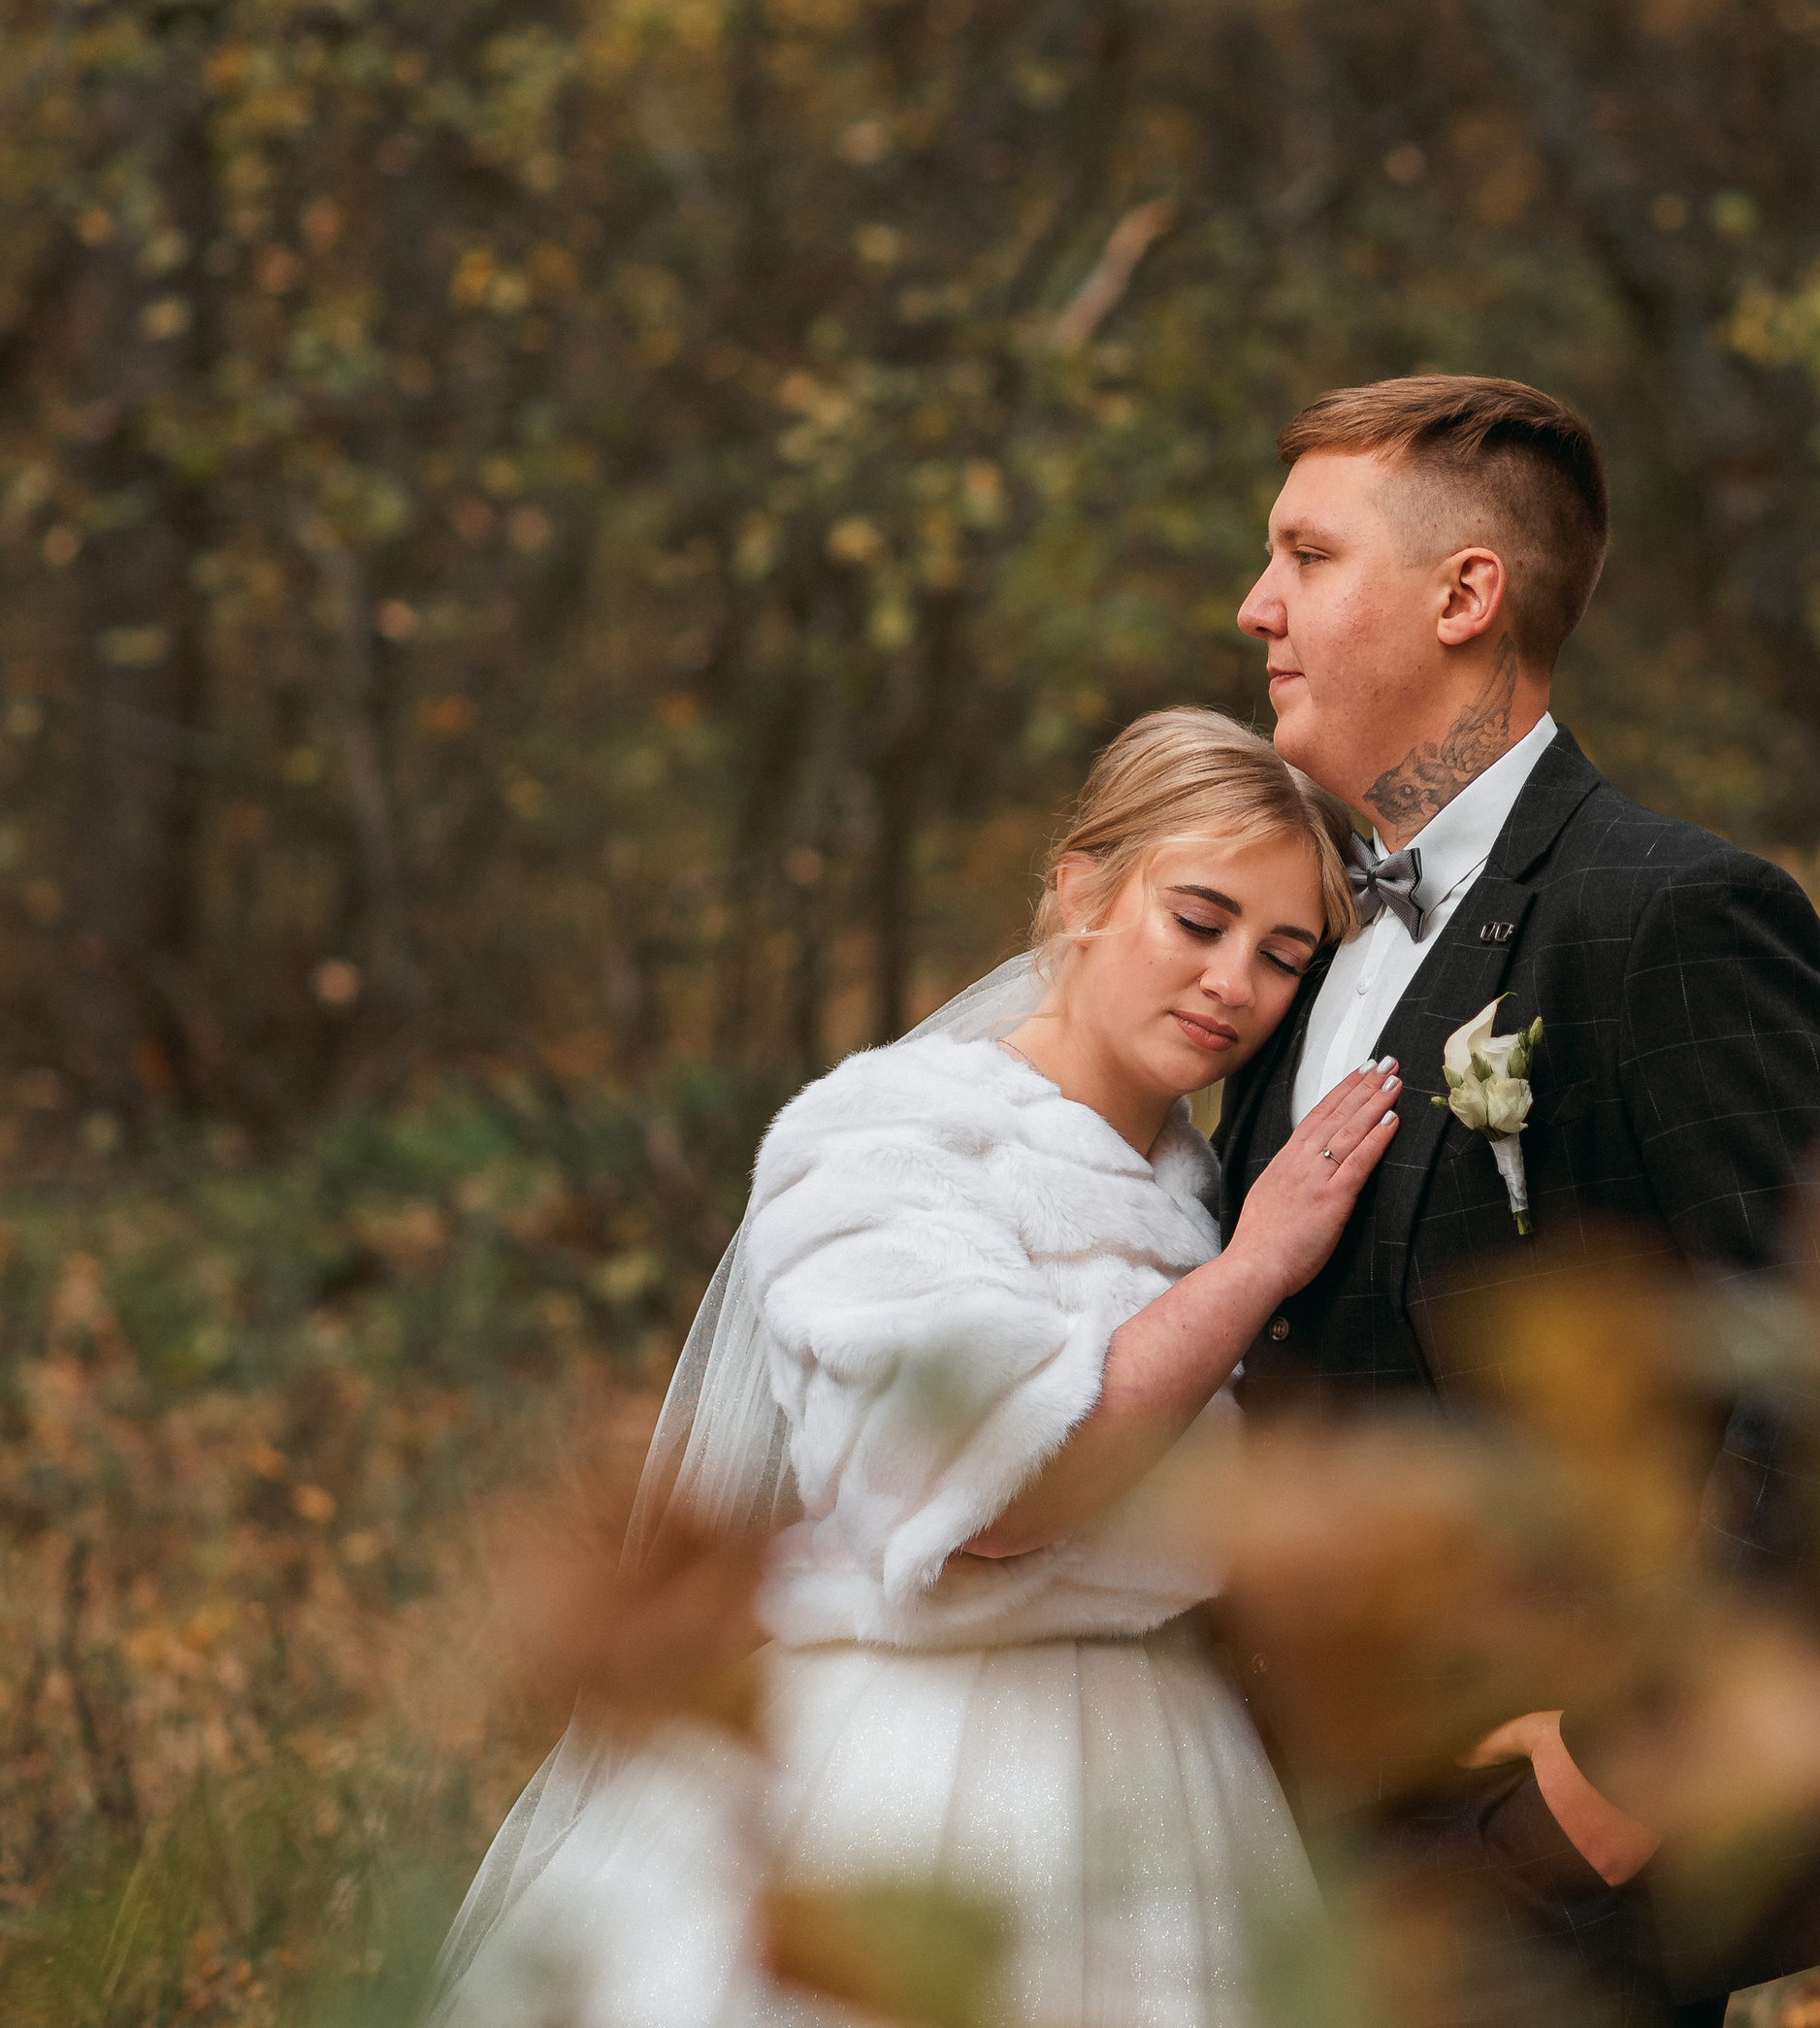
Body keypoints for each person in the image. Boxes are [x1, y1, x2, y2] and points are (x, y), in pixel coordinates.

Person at [433, 709, 1394, 2028]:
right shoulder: (889, 1139)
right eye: (1199, 919)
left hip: (1167, 1770)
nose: (1235, 980)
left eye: (1283, 956)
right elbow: (988, 1498)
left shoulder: (1200, 1187)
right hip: (910, 1771)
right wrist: (1254, 1272)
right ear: (1080, 890)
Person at [1217, 375, 1820, 2026]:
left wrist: (1620, 1789)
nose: (1255, 607)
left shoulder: (1670, 917)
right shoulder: (1302, 944)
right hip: (1293, 1859)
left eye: (1308, 557)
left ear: (1466, 595)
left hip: (1546, 1885)